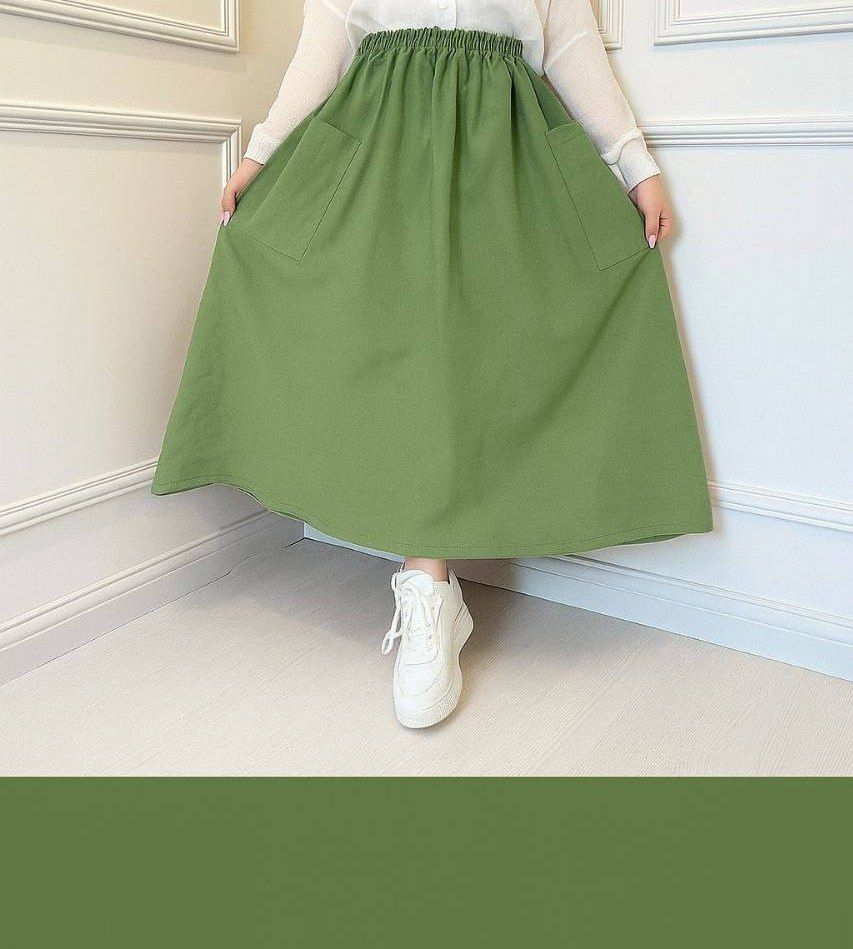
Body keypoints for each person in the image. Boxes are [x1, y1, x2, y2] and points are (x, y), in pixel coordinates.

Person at [152, 0, 713, 729]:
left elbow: (573, 49)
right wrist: (259, 157)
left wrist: (636, 165)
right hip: (374, 159)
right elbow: (321, 51)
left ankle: (432, 588)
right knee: (407, 363)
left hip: (506, 162)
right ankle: (430, 588)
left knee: (471, 360)